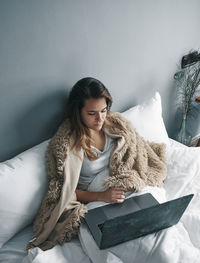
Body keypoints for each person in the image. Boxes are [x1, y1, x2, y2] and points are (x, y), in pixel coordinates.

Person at [27, 77, 167, 251]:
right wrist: (103, 197)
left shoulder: (114, 125)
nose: (100, 118)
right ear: (78, 112)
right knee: (129, 246)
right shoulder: (67, 144)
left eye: (104, 110)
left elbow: (134, 152)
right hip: (100, 200)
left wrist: (132, 178)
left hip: (127, 189)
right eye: (92, 113)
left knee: (162, 229)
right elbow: (65, 191)